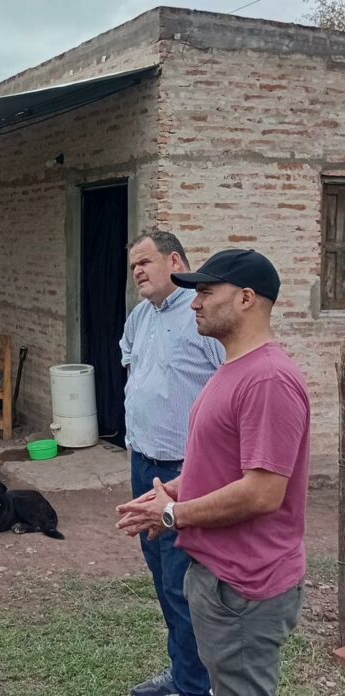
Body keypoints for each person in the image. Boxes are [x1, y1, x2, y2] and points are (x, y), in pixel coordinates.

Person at [117, 249, 309, 696]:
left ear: (245, 299)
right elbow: (223, 465)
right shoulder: (233, 368)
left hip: (246, 586)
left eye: (205, 291)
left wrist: (174, 515)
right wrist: (171, 492)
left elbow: (263, 492)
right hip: (221, 579)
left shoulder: (267, 380)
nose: (196, 303)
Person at [119, 232, 224, 696]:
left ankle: (194, 685)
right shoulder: (139, 318)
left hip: (186, 471)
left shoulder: (202, 317)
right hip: (144, 465)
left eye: (145, 262)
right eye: (133, 266)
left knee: (183, 582)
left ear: (175, 260)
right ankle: (183, 673)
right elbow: (135, 371)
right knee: (161, 577)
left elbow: (228, 387)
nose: (138, 272)